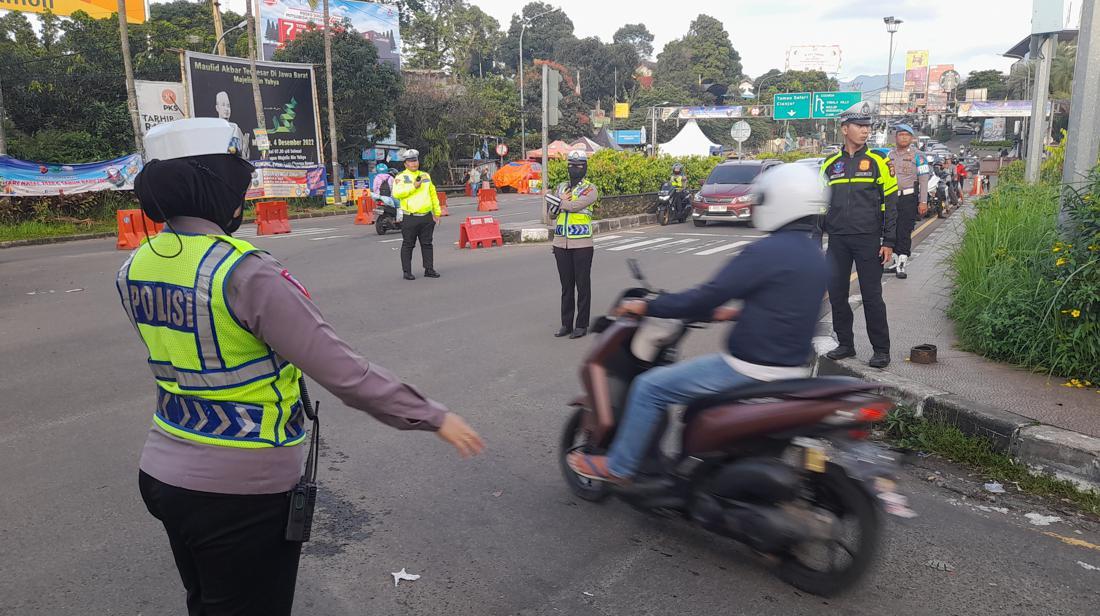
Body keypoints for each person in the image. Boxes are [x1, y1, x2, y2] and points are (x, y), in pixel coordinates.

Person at [120, 118, 484, 616]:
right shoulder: (244, 272)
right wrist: (432, 415)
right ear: (214, 189)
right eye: (236, 188)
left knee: (207, 603)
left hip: (164, 474)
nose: (240, 201)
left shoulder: (136, 266)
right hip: (240, 490)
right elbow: (345, 373)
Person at [565, 163, 830, 482]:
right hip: (793, 369)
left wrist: (648, 307)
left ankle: (619, 466)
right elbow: (790, 306)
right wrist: (735, 313)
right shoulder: (815, 254)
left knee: (649, 387)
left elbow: (705, 297)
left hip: (749, 369)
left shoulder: (767, 251)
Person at [821, 104, 898, 369]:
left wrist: (888, 242)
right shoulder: (830, 165)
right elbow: (821, 206)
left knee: (871, 296)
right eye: (860, 126)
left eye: (868, 126)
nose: (865, 130)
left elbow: (891, 203)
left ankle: (881, 350)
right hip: (838, 240)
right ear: (845, 129)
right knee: (837, 294)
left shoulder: (879, 161)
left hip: (868, 239)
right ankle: (845, 344)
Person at [548, 151, 599, 339]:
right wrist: (560, 203)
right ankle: (566, 324)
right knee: (566, 286)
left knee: (583, 285)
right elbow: (552, 211)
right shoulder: (561, 187)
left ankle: (582, 325)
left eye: (578, 165)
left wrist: (560, 202)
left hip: (582, 244)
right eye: (571, 165)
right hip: (561, 243)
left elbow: (574, 206)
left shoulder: (590, 189)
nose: (574, 168)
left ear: (584, 167)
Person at [885, 124, 929, 280]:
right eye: (900, 134)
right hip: (891, 198)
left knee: (904, 231)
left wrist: (923, 201)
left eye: (907, 135)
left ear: (911, 138)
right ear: (895, 137)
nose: (903, 137)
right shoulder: (889, 155)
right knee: (892, 230)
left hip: (908, 198)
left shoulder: (919, 156)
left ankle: (902, 263)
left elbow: (924, 180)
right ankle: (896, 262)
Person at [392, 148, 442, 281]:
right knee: (408, 244)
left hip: (426, 216)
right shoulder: (400, 177)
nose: (414, 163)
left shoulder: (425, 176)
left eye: (415, 161)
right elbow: (396, 194)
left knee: (427, 244)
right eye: (410, 161)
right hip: (410, 217)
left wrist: (437, 212)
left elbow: (433, 194)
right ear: (405, 164)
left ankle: (429, 269)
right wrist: (413, 186)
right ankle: (407, 271)